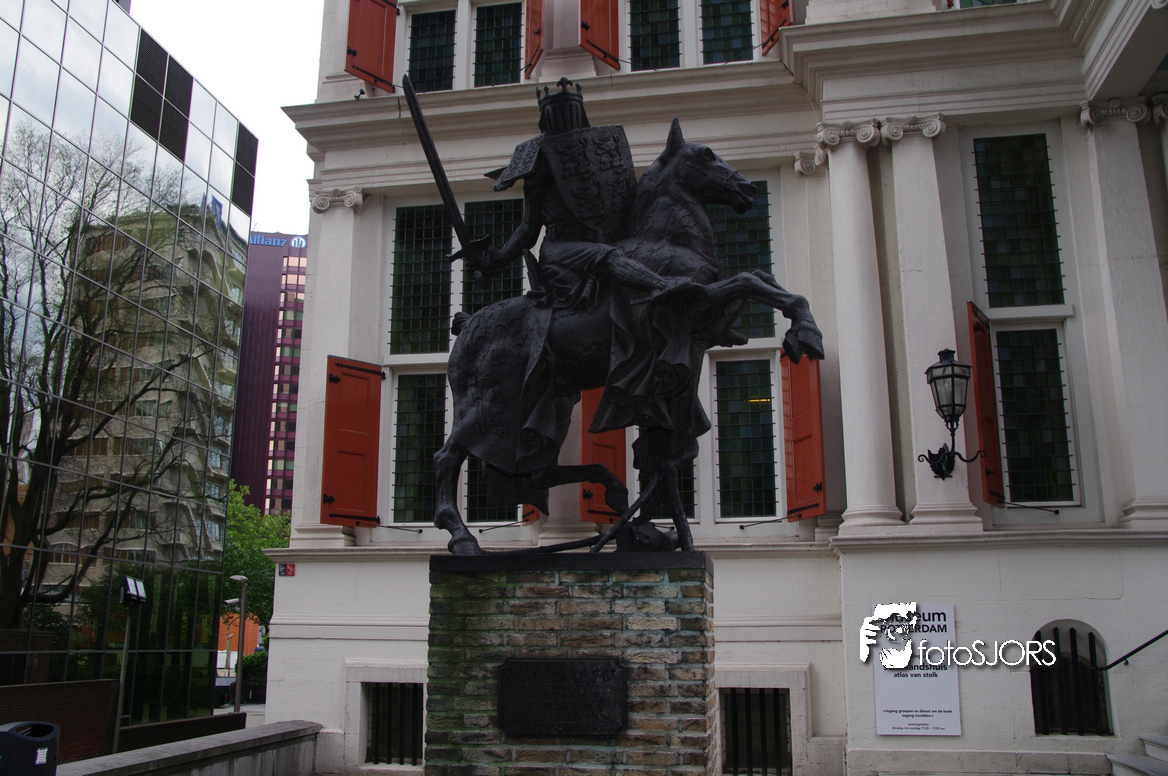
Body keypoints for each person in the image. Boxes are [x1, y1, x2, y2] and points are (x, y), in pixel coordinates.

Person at [469, 78, 703, 431]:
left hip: (596, 242)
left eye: (570, 109)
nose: (565, 116)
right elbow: (528, 227)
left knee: (621, 260)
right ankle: (661, 285)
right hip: (561, 249)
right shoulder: (535, 159)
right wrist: (497, 259)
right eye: (558, 111)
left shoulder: (598, 152)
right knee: (610, 257)